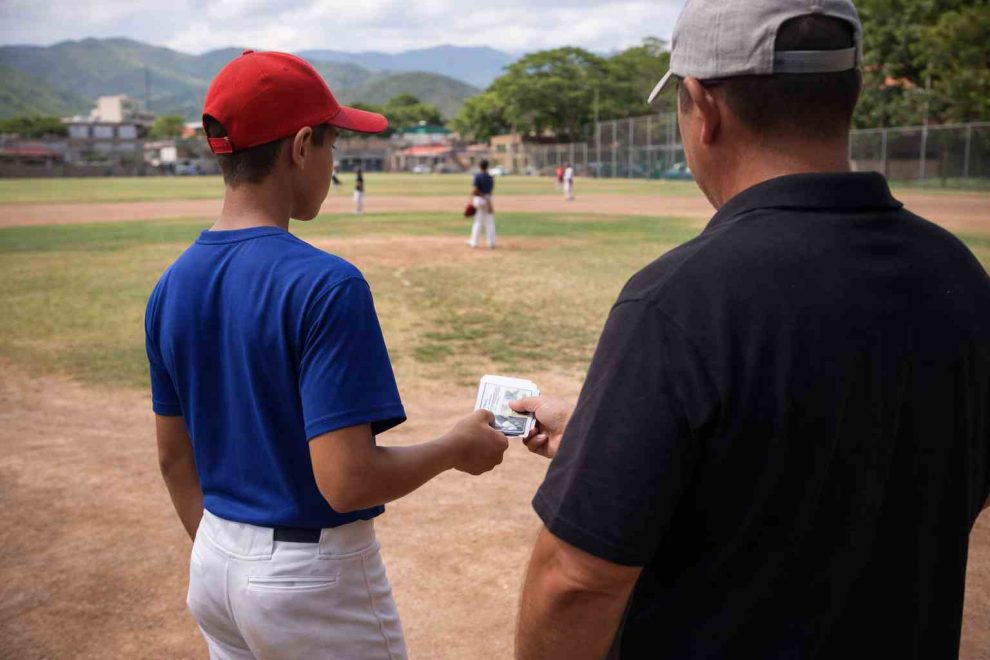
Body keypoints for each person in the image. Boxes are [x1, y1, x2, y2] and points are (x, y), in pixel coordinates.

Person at [511, 2, 990, 659]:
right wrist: (606, 441)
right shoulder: (960, 275)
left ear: (704, 109)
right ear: (849, 90)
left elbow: (575, 581)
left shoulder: (681, 298)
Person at [146, 50, 509, 660]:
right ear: (302, 145)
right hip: (308, 579)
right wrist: (455, 447)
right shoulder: (325, 283)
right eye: (333, 145)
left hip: (213, 563)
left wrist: (228, 555)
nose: (334, 163)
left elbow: (174, 460)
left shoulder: (172, 284)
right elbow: (348, 480)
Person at [468, 159, 496, 249]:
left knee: (478, 221)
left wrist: (471, 198)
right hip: (488, 199)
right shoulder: (490, 177)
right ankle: (491, 243)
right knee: (490, 222)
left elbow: (475, 190)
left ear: (480, 166)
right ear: (487, 166)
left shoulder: (477, 176)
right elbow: (491, 190)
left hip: (479, 200)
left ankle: (474, 242)